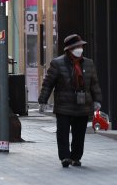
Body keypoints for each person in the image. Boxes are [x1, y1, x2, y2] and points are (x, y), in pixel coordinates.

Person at [38, 34, 102, 168]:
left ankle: (76, 157)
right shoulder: (57, 63)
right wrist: (43, 101)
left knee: (79, 134)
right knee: (63, 132)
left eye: (81, 46)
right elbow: (48, 83)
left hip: (83, 104)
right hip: (64, 105)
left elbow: (94, 84)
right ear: (69, 49)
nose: (80, 49)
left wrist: (97, 100)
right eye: (77, 47)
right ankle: (65, 157)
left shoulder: (89, 63)